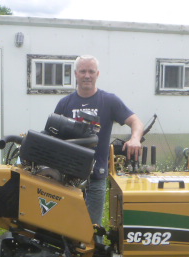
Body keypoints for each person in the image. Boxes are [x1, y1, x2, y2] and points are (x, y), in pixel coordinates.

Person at [54, 55, 143, 227]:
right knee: (67, 227)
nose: (87, 75)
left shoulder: (109, 101)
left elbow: (135, 122)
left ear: (97, 74)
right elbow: (53, 135)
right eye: (83, 71)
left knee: (92, 227)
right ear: (76, 74)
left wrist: (135, 138)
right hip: (67, 177)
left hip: (96, 176)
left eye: (91, 71)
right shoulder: (64, 104)